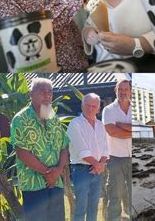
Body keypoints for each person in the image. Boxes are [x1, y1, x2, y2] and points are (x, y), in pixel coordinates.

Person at [11, 78, 69, 221]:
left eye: (50, 92)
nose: (47, 95)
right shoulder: (21, 119)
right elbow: (21, 152)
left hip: (55, 181)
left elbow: (64, 145)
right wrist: (47, 172)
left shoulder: (51, 115)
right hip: (33, 184)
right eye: (43, 92)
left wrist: (58, 170)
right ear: (31, 94)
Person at [67, 93, 109, 221]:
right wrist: (98, 165)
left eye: (94, 106)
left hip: (98, 171)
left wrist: (100, 165)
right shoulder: (75, 124)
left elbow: (106, 149)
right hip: (81, 170)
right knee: (81, 208)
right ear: (82, 105)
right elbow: (82, 150)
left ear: (98, 108)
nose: (90, 108)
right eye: (87, 105)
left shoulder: (101, 126)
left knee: (93, 206)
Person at [102, 79, 132, 220]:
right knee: (115, 194)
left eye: (126, 89)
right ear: (116, 91)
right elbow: (112, 132)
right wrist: (132, 130)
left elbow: (142, 130)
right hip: (115, 158)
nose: (123, 92)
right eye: (120, 89)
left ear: (130, 91)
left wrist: (121, 125)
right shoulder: (108, 110)